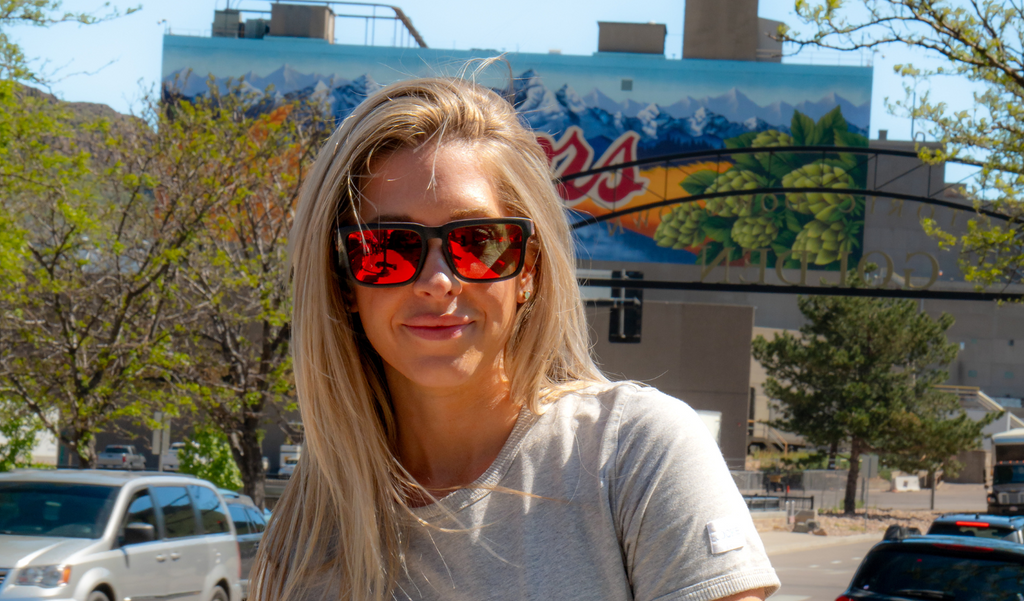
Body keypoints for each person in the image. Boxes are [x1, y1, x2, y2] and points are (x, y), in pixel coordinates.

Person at [250, 75, 780, 601]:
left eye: (478, 241)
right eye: (388, 246)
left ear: (527, 268)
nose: (437, 281)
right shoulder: (305, 536)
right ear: (343, 277)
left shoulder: (637, 456)